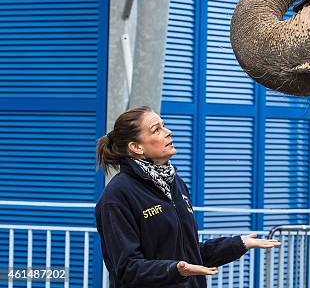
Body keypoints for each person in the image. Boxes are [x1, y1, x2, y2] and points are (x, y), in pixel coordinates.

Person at [95, 106, 280, 287]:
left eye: (164, 125)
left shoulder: (176, 184)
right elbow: (127, 269)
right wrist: (175, 270)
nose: (168, 132)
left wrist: (237, 244)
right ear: (136, 147)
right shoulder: (116, 196)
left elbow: (191, 254)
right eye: (156, 130)